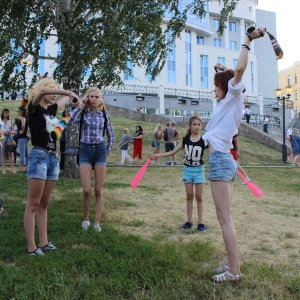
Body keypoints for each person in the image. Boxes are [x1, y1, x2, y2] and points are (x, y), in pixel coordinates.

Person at [202, 27, 266, 282]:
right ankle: (232, 266)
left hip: (220, 160)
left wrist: (248, 40)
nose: (214, 90)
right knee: (224, 218)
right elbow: (233, 72)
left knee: (224, 219)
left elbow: (238, 71)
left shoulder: (233, 94)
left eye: (216, 86)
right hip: (224, 159)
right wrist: (222, 68)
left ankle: (234, 271)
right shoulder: (231, 102)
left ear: (226, 87)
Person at [24, 77, 80, 256]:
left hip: (53, 159)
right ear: (43, 89)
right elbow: (41, 93)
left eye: (56, 90)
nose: (55, 93)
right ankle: (32, 247)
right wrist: (69, 92)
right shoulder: (33, 108)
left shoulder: (52, 110)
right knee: (33, 204)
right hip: (39, 157)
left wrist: (74, 104)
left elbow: (65, 105)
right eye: (52, 89)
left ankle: (44, 242)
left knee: (44, 203)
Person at [68, 86, 115, 232]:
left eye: (96, 97)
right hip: (85, 150)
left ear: (100, 99)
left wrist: (106, 151)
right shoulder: (82, 112)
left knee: (98, 190)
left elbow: (111, 135)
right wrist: (80, 106)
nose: (94, 99)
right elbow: (70, 122)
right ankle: (86, 219)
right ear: (87, 98)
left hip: (100, 151)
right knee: (87, 190)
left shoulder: (104, 114)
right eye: (91, 96)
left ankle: (97, 222)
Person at [151, 115, 207, 231]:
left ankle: (200, 223)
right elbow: (172, 152)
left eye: (199, 124)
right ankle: (189, 221)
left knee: (199, 197)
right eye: (194, 124)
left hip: (199, 171)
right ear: (190, 126)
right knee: (189, 196)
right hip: (187, 170)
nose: (197, 127)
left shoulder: (204, 140)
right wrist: (157, 155)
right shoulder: (185, 139)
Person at [1, 108, 15, 174]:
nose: (6, 114)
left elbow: (12, 130)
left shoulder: (10, 121)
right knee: (3, 153)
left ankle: (12, 169)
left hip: (9, 137)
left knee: (10, 153)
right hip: (3, 137)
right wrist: (4, 132)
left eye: (7, 113)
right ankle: (4, 170)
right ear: (3, 113)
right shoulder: (0, 121)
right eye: (5, 112)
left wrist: (10, 132)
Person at [17, 107, 29, 173]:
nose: (17, 112)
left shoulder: (22, 118)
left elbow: (23, 125)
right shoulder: (26, 118)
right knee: (27, 154)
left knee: (22, 154)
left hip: (21, 138)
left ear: (22, 111)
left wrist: (22, 131)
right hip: (25, 138)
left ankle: (20, 170)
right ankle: (27, 169)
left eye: (18, 111)